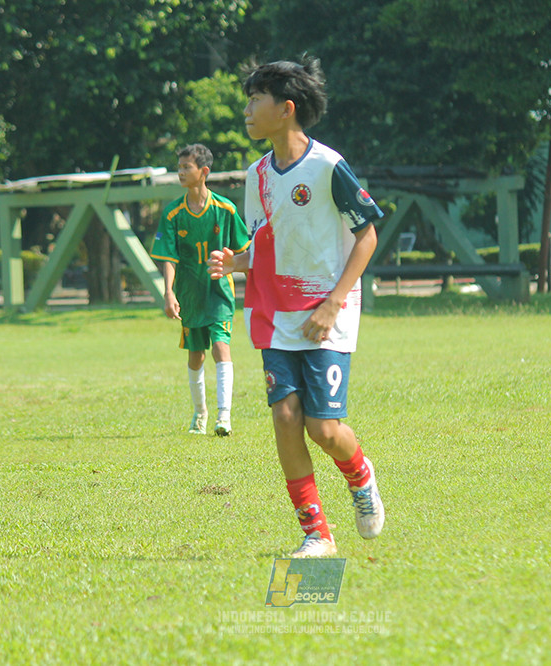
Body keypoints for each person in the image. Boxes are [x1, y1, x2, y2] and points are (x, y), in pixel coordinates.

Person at [208, 57, 385, 557]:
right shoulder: (256, 175)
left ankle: (360, 475)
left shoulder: (328, 166)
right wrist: (235, 262)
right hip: (273, 314)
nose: (246, 109)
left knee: (323, 428)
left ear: (285, 109)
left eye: (254, 99)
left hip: (327, 313)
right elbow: (267, 244)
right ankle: (316, 533)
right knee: (286, 418)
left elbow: (367, 234)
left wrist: (332, 303)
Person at [152, 143, 250, 436]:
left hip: (218, 292)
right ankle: (200, 414)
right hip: (189, 294)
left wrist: (233, 263)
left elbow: (245, 251)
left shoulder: (226, 209)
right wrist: (169, 293)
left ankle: (224, 417)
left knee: (221, 347)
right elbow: (168, 258)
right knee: (196, 355)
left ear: (203, 171)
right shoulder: (172, 214)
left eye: (186, 167)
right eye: (179, 167)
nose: (180, 172)